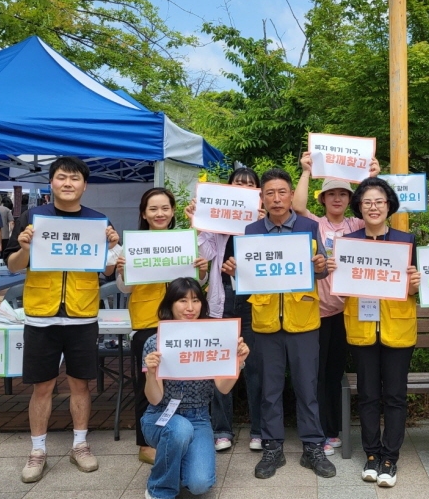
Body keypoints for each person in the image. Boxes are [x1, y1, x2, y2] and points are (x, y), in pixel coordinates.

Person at [4, 156, 121, 484]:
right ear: (51, 182)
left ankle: (80, 446)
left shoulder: (98, 221)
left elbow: (108, 269)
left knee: (80, 383)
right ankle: (38, 450)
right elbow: (13, 265)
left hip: (82, 315)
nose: (68, 183)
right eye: (61, 178)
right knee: (43, 385)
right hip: (41, 315)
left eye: (74, 179)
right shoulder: (32, 217)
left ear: (85, 185)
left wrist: (113, 246)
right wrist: (25, 247)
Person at [221, 168, 336, 480]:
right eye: (269, 193)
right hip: (266, 322)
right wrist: (232, 268)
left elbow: (322, 271)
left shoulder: (310, 227)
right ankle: (273, 447)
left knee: (306, 387)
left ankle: (313, 446)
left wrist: (322, 266)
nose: (276, 198)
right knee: (270, 390)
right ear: (262, 197)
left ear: (290, 195)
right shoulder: (251, 230)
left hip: (303, 320)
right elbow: (241, 274)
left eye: (281, 192)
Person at [291, 151, 380, 455]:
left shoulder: (356, 225)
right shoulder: (315, 224)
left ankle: (333, 428)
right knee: (314, 373)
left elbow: (377, 208)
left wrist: (372, 177)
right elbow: (297, 205)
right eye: (332, 194)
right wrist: (305, 171)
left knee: (333, 373)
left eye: (343, 194)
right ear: (324, 199)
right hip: (317, 312)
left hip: (346, 312)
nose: (338, 199)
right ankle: (320, 430)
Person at [141, 277, 250, 499]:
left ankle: (172, 459)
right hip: (161, 416)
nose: (190, 307)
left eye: (195, 300)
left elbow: (222, 388)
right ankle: (158, 490)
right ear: (170, 304)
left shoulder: (212, 338)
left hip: (199, 417)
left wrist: (238, 362)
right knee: (179, 429)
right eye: (182, 300)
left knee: (200, 484)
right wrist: (151, 373)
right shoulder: (155, 342)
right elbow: (155, 399)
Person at [337, 177, 420, 488]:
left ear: (389, 206)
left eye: (379, 201)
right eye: (367, 202)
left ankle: (390, 457)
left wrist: (415, 286)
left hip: (397, 328)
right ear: (359, 206)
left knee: (395, 396)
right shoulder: (349, 243)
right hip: (362, 328)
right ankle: (371, 454)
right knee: (369, 395)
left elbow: (417, 289)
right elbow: (341, 292)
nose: (373, 207)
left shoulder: (406, 241)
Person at [116, 187, 208, 466]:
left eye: (165, 208)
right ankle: (146, 443)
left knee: (182, 380)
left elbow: (197, 285)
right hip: (147, 324)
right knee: (148, 381)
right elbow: (126, 289)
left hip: (182, 324)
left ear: (172, 211)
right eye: (153, 209)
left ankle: (181, 432)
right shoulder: (132, 245)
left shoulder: (186, 241)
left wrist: (202, 269)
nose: (160, 214)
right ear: (144, 213)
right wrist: (123, 270)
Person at [184, 167, 265, 454]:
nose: (243, 187)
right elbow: (202, 263)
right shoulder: (215, 228)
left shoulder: (264, 225)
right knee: (221, 363)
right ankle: (221, 430)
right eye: (238, 183)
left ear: (258, 193)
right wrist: (200, 224)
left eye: (250, 184)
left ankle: (259, 430)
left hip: (255, 302)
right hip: (223, 300)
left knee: (255, 366)